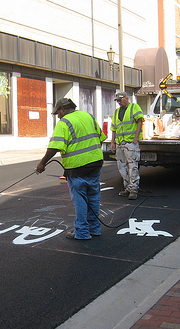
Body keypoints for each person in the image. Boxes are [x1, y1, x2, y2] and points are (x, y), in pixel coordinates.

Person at [36, 98, 106, 240]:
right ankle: (95, 229)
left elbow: (55, 146)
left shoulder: (65, 123)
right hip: (96, 163)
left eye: (57, 113)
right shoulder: (88, 117)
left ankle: (82, 232)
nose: (58, 116)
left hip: (77, 167)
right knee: (93, 196)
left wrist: (42, 163)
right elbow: (101, 137)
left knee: (80, 198)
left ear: (62, 109)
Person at [110, 91, 144, 200]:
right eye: (117, 101)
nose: (118, 102)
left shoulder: (134, 107)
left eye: (120, 100)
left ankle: (133, 189)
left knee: (132, 166)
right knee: (122, 166)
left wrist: (136, 138)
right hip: (120, 143)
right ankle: (128, 187)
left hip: (130, 142)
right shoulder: (116, 112)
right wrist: (112, 142)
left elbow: (140, 121)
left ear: (126, 98)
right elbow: (114, 128)